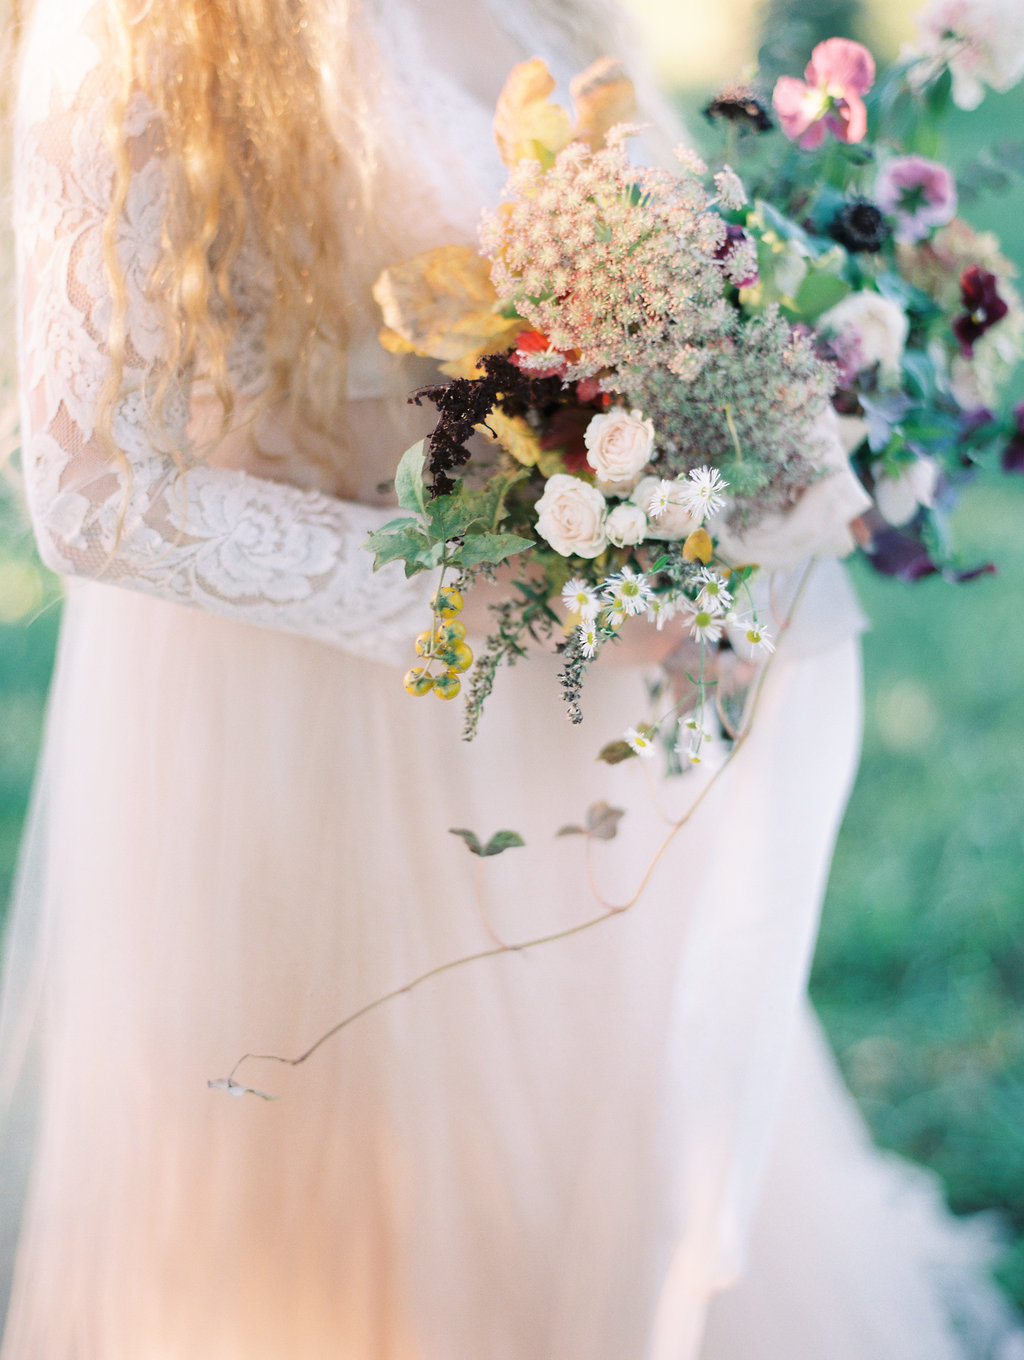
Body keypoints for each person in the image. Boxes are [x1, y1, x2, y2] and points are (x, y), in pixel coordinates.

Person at [1, 0, 1022, 1356]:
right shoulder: (141, 33)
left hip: (558, 707)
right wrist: (502, 595)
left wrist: (737, 464)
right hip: (293, 740)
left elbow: (661, 257)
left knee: (587, 1142)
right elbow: (93, 497)